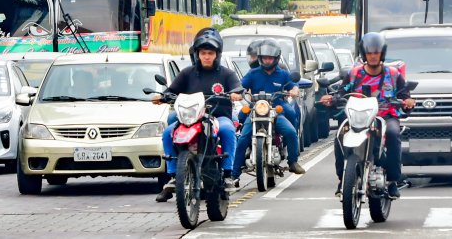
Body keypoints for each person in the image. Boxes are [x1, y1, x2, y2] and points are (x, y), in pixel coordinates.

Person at [321, 31, 414, 198]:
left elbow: (404, 95)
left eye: (376, 53)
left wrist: (408, 102)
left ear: (382, 53)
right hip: (357, 117)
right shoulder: (354, 74)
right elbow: (341, 93)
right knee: (339, 138)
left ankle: (393, 180)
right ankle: (343, 180)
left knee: (393, 134)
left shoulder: (393, 75)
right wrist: (331, 99)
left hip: (385, 116)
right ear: (364, 54)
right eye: (369, 53)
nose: (372, 57)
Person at [153, 28, 241, 202]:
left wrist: (235, 93)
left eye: (210, 53)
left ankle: (229, 173)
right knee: (167, 132)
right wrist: (162, 97)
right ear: (197, 54)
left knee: (227, 130)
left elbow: (237, 87)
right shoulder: (187, 73)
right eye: (203, 53)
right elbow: (172, 91)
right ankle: (173, 175)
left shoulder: (226, 73)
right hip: (190, 118)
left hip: (218, 116)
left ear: (217, 54)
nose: (206, 56)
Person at [232, 41, 307, 178]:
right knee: (242, 138)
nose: (267, 60)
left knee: (290, 132)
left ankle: (293, 162)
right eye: (265, 57)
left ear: (276, 58)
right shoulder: (252, 73)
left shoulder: (283, 74)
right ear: (260, 58)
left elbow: (293, 85)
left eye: (270, 58)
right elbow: (240, 86)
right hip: (256, 108)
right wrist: (236, 93)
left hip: (275, 109)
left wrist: (294, 90)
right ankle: (234, 173)